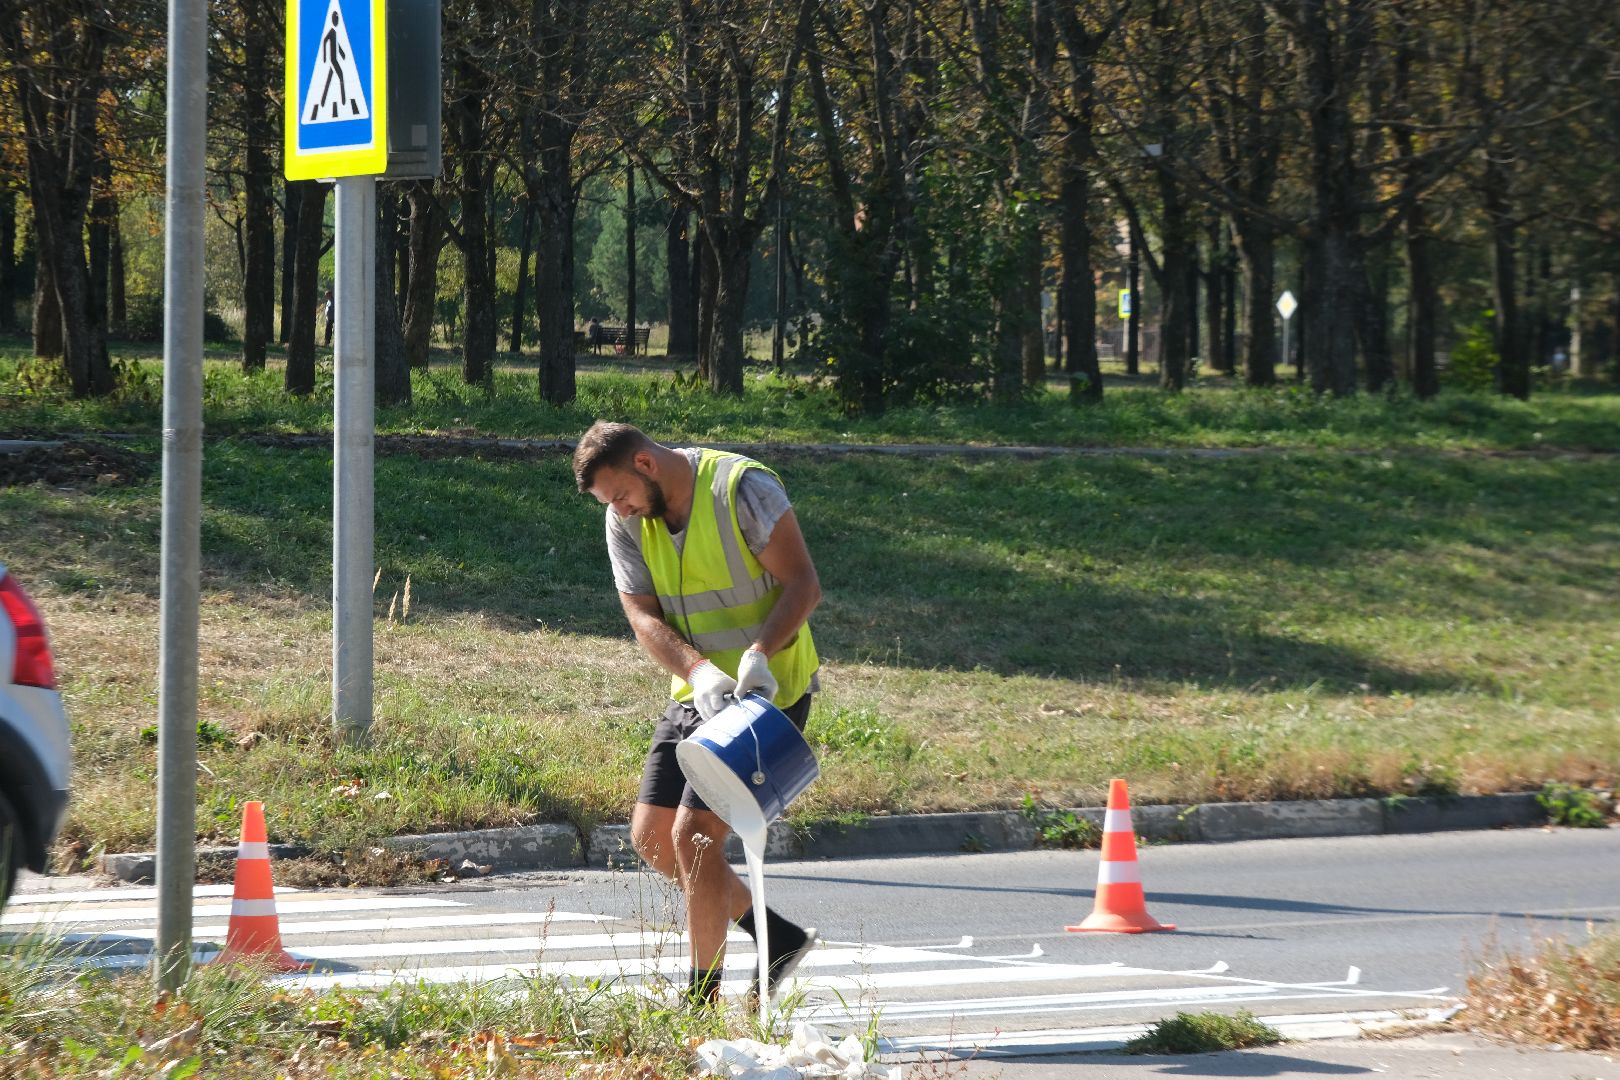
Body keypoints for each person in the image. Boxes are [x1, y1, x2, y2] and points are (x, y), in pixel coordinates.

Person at [573, 421, 822, 1007]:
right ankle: (777, 937)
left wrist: (760, 654)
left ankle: (700, 1002)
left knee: (696, 837)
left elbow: (804, 585)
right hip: (702, 692)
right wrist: (697, 671)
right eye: (611, 504)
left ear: (645, 464)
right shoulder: (626, 520)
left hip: (767, 694)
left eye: (621, 495)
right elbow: (641, 615)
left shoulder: (742, 488)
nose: (621, 510)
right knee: (653, 838)